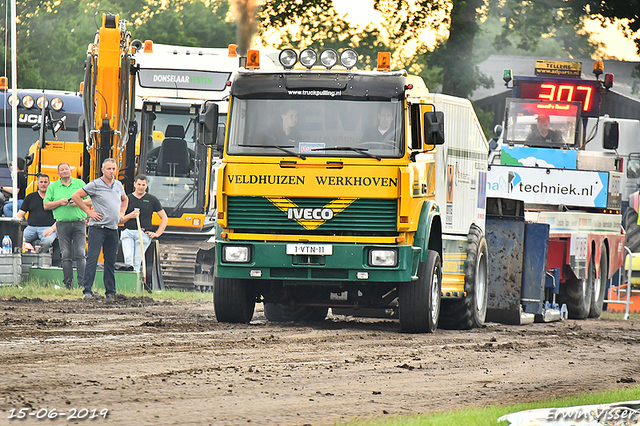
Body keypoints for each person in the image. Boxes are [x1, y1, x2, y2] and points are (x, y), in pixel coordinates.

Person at [72, 158, 127, 299]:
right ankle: (87, 290)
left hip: (113, 228)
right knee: (92, 258)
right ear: (103, 170)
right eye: (109, 169)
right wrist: (89, 212)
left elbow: (125, 199)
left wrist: (122, 213)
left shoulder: (118, 185)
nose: (111, 172)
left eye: (114, 169)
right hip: (97, 227)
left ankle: (110, 292)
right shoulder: (95, 184)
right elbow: (76, 196)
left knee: (110, 261)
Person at [44, 163, 88, 290]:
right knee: (66, 254)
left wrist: (79, 202)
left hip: (79, 222)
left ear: (71, 171)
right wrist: (59, 202)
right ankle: (68, 285)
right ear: (58, 173)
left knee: (80, 253)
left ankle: (82, 285)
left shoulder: (80, 184)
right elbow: (46, 205)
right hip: (62, 224)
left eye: (66, 169)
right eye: (62, 170)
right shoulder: (53, 187)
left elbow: (91, 200)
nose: (64, 171)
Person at [120, 174, 168, 272]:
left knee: (137, 261)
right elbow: (120, 220)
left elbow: (164, 218)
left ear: (146, 185)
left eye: (143, 185)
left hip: (143, 233)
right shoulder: (127, 199)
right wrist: (130, 215)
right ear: (134, 184)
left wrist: (157, 233)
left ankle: (135, 285)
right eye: (139, 184)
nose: (141, 187)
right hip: (128, 232)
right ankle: (129, 283)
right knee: (128, 258)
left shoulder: (152, 199)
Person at [17, 173, 57, 252]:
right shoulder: (30, 197)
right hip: (31, 228)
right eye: (41, 182)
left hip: (48, 228)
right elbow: (21, 213)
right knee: (18, 240)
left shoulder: (54, 197)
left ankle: (40, 259)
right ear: (37, 183)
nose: (43, 184)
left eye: (45, 182)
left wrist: (52, 229)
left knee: (47, 241)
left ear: (49, 184)